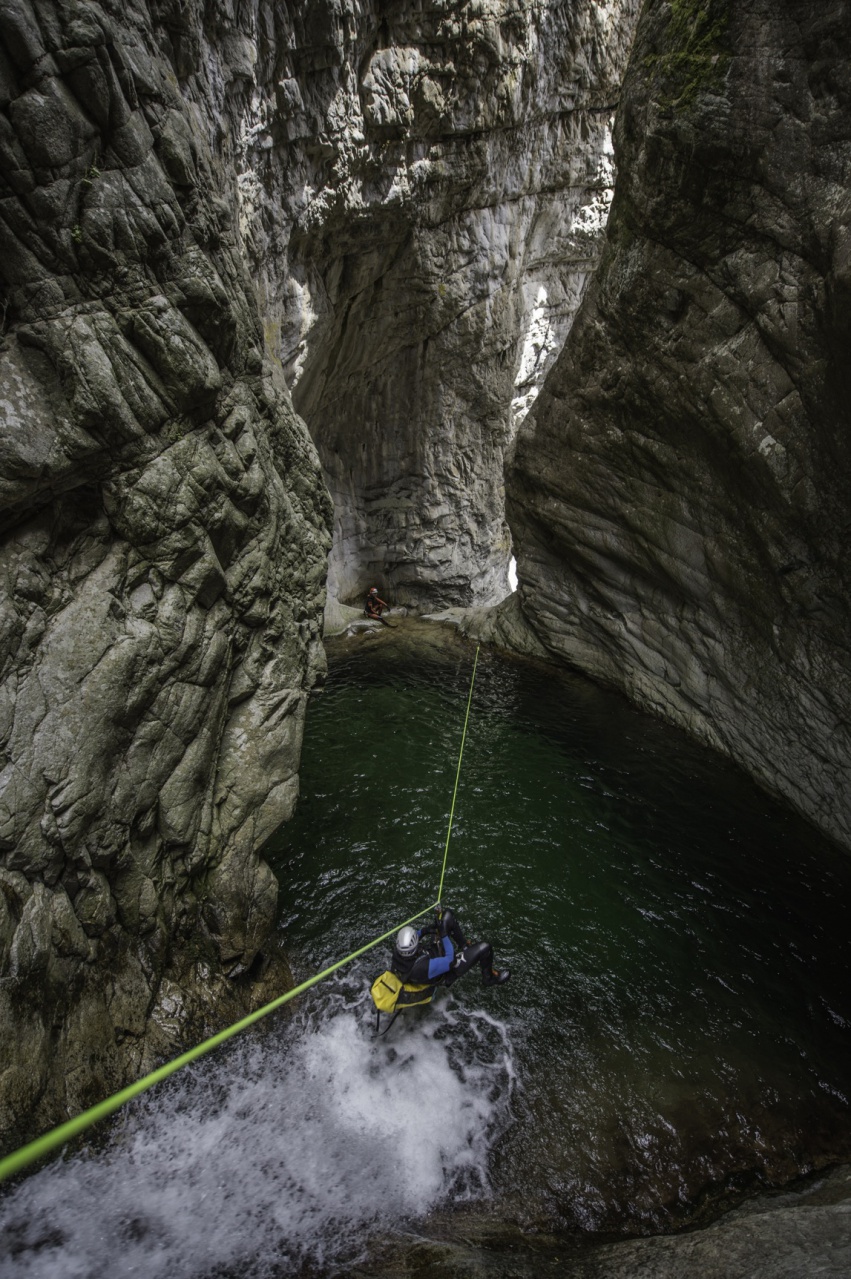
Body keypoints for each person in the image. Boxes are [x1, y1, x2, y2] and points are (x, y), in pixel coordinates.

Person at [391, 905, 510, 990]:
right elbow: (450, 959)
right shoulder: (423, 967)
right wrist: (443, 934)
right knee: (485, 947)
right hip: (446, 970)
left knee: (447, 916)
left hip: (432, 954)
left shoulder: (400, 951)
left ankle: (464, 946)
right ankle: (488, 978)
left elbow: (417, 934)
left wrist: (426, 930)